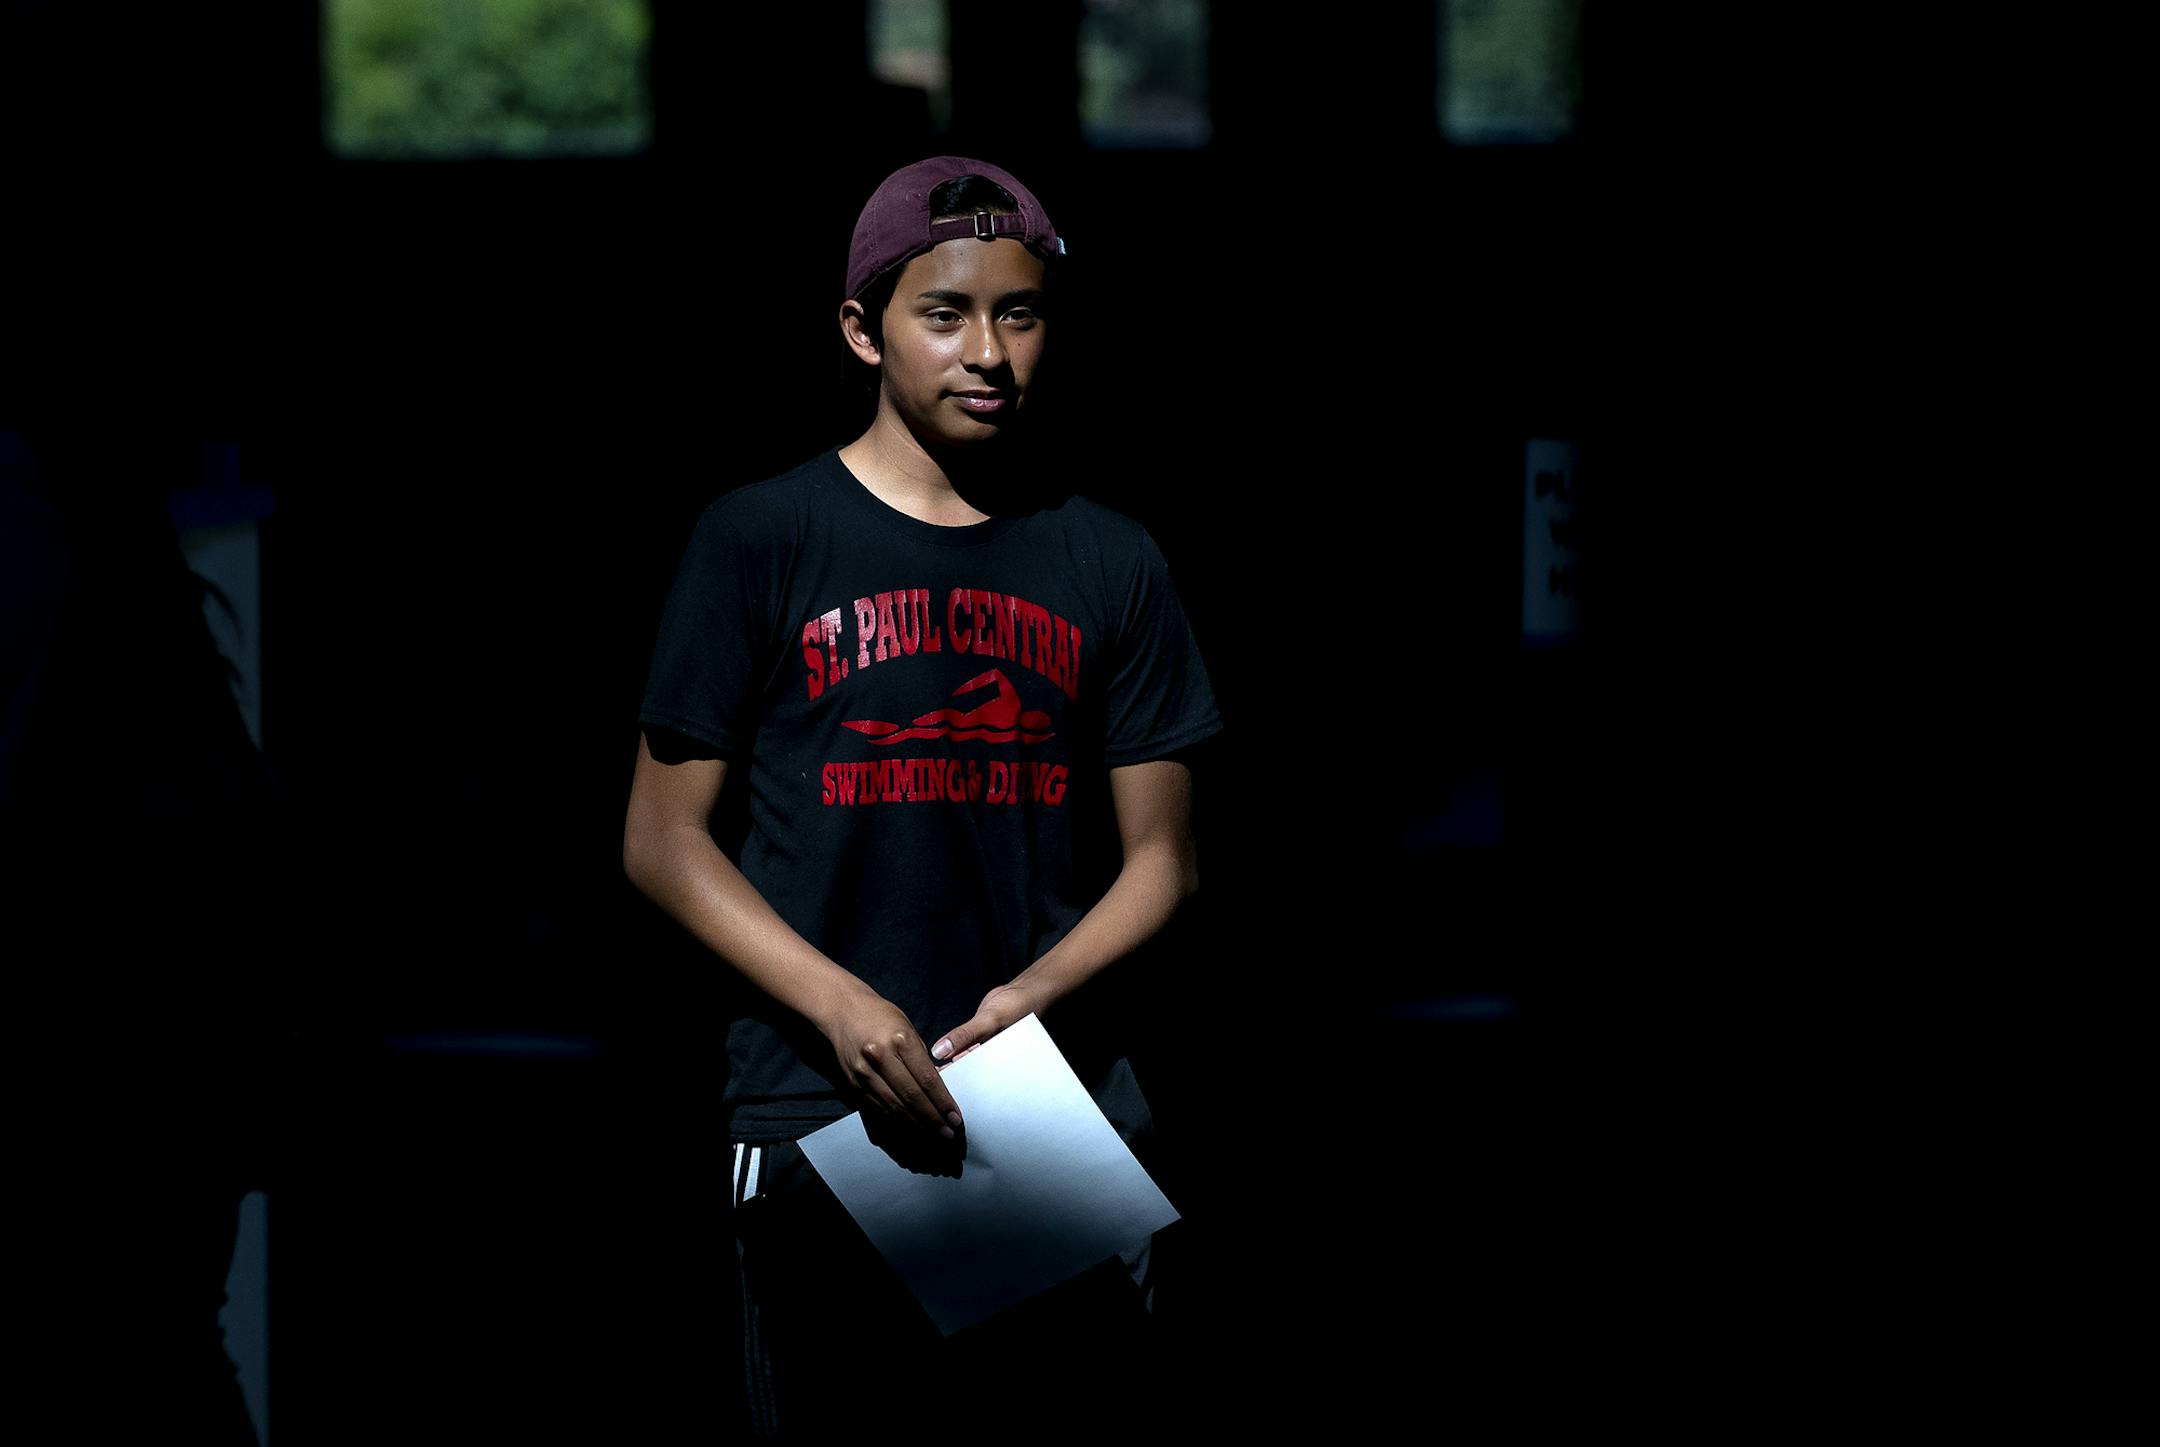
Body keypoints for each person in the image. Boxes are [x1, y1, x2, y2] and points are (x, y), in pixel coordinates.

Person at [622, 155, 1224, 1437]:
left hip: (1048, 1109)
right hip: (818, 1108)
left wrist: (1029, 1002)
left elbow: (1163, 860)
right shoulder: (760, 538)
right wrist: (842, 1006)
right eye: (943, 314)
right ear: (862, 328)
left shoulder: (1106, 555)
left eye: (1019, 312)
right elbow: (662, 840)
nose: (988, 352)